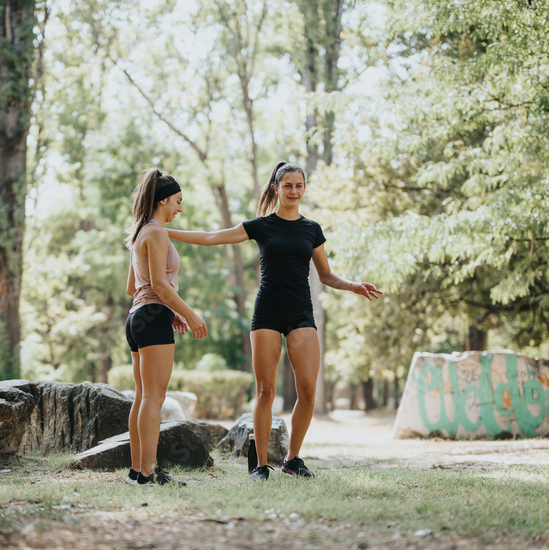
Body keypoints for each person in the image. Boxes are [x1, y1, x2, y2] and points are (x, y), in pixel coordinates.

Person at [167, 161, 381, 480]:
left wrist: (352, 285)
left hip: (300, 312)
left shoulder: (312, 229)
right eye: (288, 185)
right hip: (267, 310)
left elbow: (325, 275)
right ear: (276, 189)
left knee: (307, 390)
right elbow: (212, 236)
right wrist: (161, 229)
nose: (294, 191)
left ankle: (293, 459)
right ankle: (261, 465)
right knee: (266, 390)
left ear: (304, 189)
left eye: (299, 186)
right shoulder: (262, 225)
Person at [124, 169, 208, 485]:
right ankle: (148, 471)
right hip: (152, 318)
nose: (179, 209)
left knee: (143, 396)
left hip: (137, 318)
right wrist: (189, 313)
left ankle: (137, 471)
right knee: (153, 398)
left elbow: (134, 286)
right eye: (177, 201)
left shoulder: (138, 233)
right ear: (163, 200)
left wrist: (167, 309)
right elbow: (159, 283)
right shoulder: (156, 232)